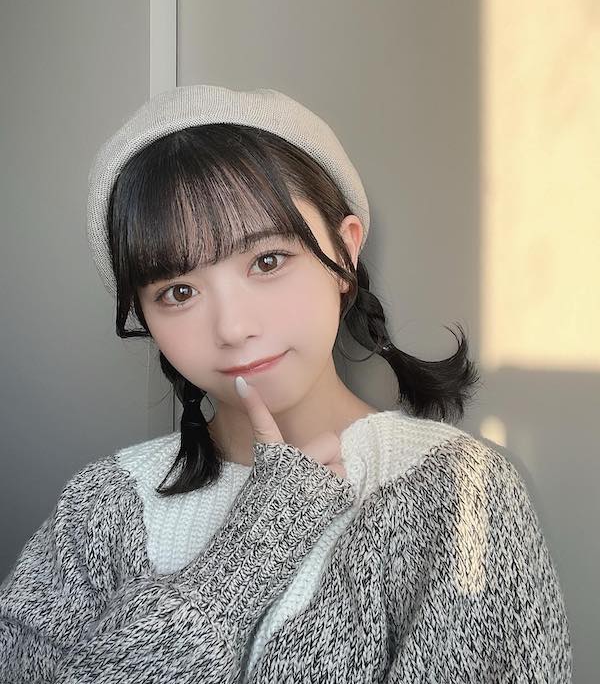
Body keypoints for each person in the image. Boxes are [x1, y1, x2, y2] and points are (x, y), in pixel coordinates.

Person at [0, 85, 572, 682]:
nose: (233, 328)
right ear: (145, 315)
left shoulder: (455, 493)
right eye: (179, 292)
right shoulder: (105, 504)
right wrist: (240, 567)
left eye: (267, 261)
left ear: (345, 253)